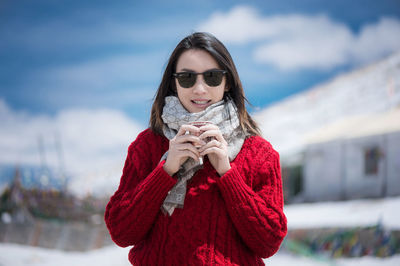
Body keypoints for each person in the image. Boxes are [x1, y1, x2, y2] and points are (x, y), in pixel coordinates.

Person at [105, 32, 287, 265]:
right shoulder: (147, 146)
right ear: (174, 82)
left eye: (212, 77)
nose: (200, 89)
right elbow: (121, 232)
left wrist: (227, 173)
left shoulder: (259, 153)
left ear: (227, 81)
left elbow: (269, 242)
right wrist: (165, 170)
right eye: (187, 78)